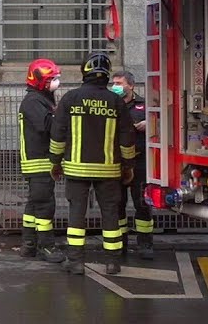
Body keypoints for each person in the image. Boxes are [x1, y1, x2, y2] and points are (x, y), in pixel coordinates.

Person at [49, 52, 137, 276]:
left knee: (76, 214)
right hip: (109, 170)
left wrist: (55, 163)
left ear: (84, 72)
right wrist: (128, 166)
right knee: (110, 214)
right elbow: (127, 138)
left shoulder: (70, 98)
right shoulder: (116, 101)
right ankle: (112, 262)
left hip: (76, 170)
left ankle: (76, 261)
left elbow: (58, 135)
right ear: (107, 74)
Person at [18, 58, 65, 264]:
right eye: (52, 79)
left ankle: (28, 245)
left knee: (33, 206)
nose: (55, 82)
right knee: (45, 206)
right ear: (39, 81)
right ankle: (46, 246)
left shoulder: (39, 99)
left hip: (37, 162)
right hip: (39, 162)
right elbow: (47, 126)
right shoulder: (33, 101)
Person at [111, 70, 153, 260]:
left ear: (131, 85)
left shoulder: (144, 105)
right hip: (117, 162)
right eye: (114, 83)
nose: (115, 86)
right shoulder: (111, 104)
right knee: (118, 205)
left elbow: (160, 124)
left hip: (140, 162)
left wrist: (149, 124)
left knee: (142, 205)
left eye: (119, 83)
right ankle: (121, 243)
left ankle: (145, 245)